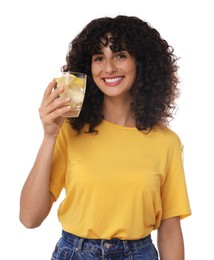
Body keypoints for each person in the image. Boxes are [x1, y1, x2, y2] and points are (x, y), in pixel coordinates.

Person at [19, 15, 191, 260]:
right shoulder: (68, 131)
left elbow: (170, 229)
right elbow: (29, 218)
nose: (109, 68)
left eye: (120, 55)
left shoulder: (167, 142)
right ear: (89, 66)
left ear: (140, 62)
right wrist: (49, 137)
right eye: (99, 58)